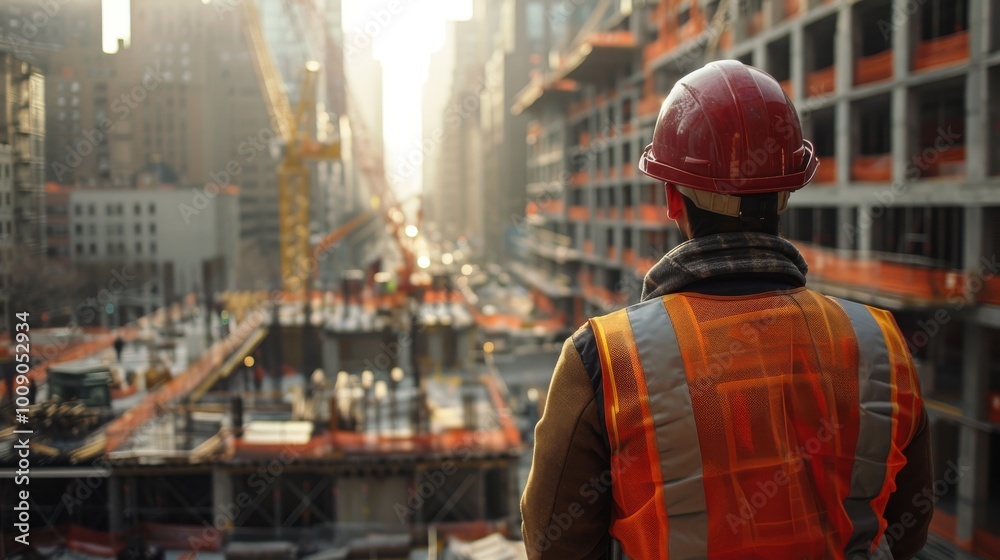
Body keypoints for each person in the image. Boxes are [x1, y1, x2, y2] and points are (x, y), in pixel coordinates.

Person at [520, 61, 932, 560]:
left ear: (673, 199)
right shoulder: (881, 343)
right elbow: (908, 525)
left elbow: (553, 546)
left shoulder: (604, 358)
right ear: (785, 194)